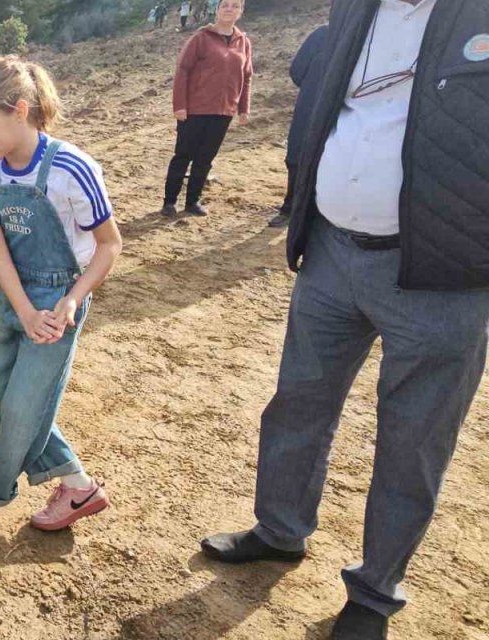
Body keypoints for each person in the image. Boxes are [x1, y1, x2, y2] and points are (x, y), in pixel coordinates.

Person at [200, 0, 489, 638]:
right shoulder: (356, 8)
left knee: (414, 440)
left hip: (444, 276)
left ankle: (375, 591)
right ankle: (280, 530)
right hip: (331, 249)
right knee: (298, 402)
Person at [0, 57, 122, 534]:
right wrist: (19, 307)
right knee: (7, 405)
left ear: (21, 110)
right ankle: (78, 485)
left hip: (58, 305)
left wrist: (70, 301)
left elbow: (110, 246)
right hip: (12, 297)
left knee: (25, 408)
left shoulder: (72, 167)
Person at [159, 0, 252, 217]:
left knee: (205, 158)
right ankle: (169, 202)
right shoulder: (201, 38)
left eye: (235, 6)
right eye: (225, 5)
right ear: (217, 9)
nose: (230, 9)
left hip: (223, 112)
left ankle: (192, 202)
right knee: (183, 155)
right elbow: (182, 71)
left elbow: (246, 77)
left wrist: (243, 108)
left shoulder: (244, 42)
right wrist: (180, 105)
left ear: (241, 11)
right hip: (194, 110)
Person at [270, 24, 329, 228]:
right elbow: (297, 71)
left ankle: (315, 211)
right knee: (297, 157)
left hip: (343, 113)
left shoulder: (365, 39)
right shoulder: (321, 35)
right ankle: (290, 207)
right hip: (310, 108)